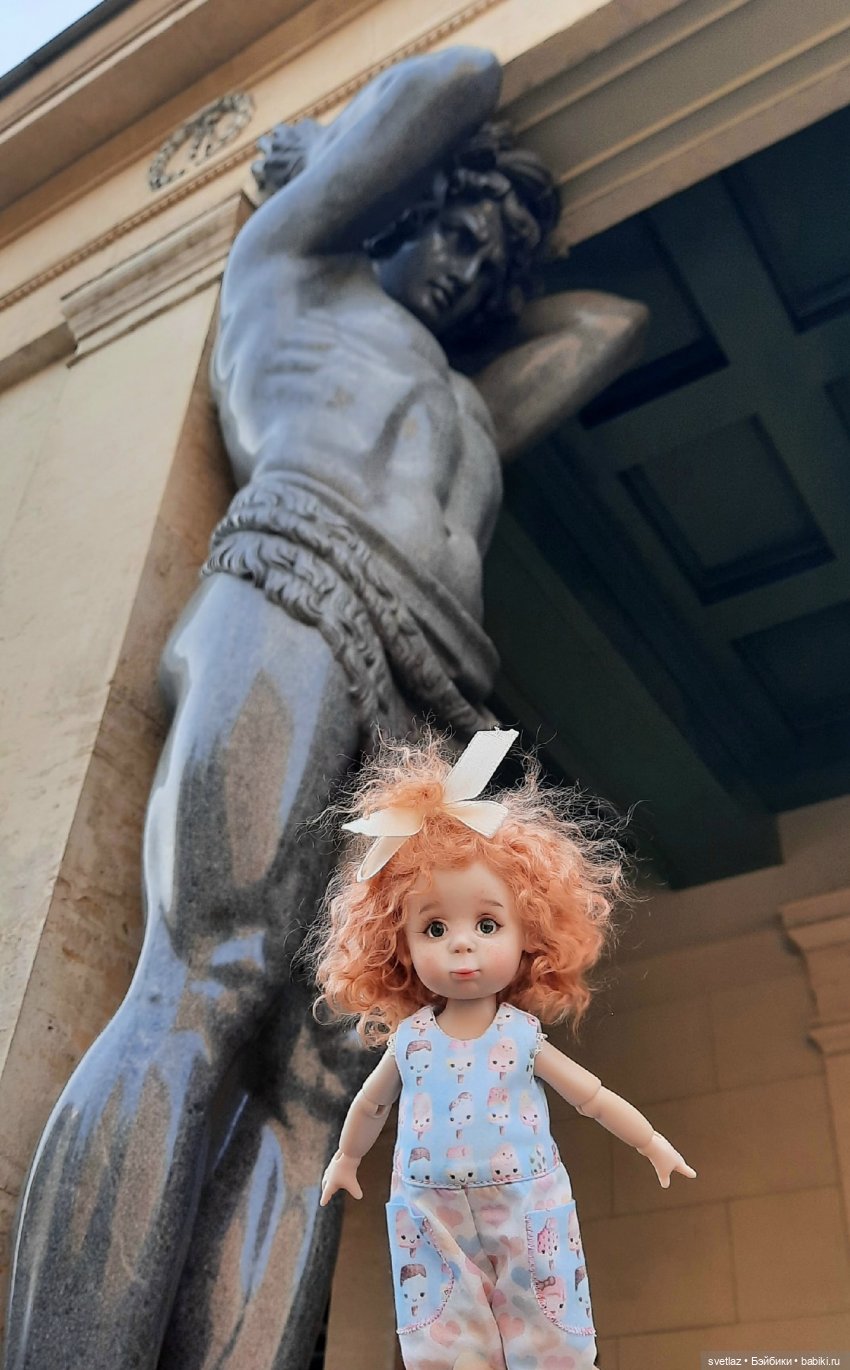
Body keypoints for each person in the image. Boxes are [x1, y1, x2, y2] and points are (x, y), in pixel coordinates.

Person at [4, 47, 647, 1370]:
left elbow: (603, 328)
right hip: (302, 582)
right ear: (395, 203)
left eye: (495, 259)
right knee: (211, 975)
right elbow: (460, 71)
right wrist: (334, 170)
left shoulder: (463, 403)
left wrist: (495, 232)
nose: (472, 268)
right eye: (458, 231)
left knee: (332, 1075)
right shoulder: (292, 263)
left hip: (446, 695)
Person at [311, 727, 696, 1370]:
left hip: (525, 1203)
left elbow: (592, 1097)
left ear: (529, 935)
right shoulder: (411, 1041)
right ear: (399, 946)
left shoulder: (520, 1035)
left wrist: (651, 1141)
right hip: (428, 1208)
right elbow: (371, 1105)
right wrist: (346, 1158)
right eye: (435, 927)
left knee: (547, 1331)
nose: (462, 943)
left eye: (487, 924)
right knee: (445, 1339)